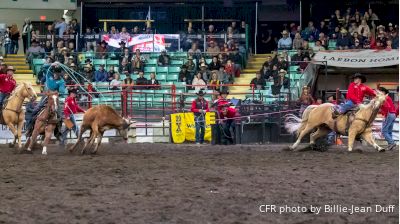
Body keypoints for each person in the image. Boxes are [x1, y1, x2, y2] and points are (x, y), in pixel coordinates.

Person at [26, 63, 66, 137]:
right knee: (36, 110)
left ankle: (58, 132)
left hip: (54, 97)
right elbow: (43, 67)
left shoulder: (61, 81)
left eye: (57, 73)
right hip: (45, 96)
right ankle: (29, 128)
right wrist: (52, 64)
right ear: (53, 72)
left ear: (60, 74)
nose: (56, 74)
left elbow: (62, 91)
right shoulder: (49, 74)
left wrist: (54, 92)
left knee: (60, 114)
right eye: (55, 72)